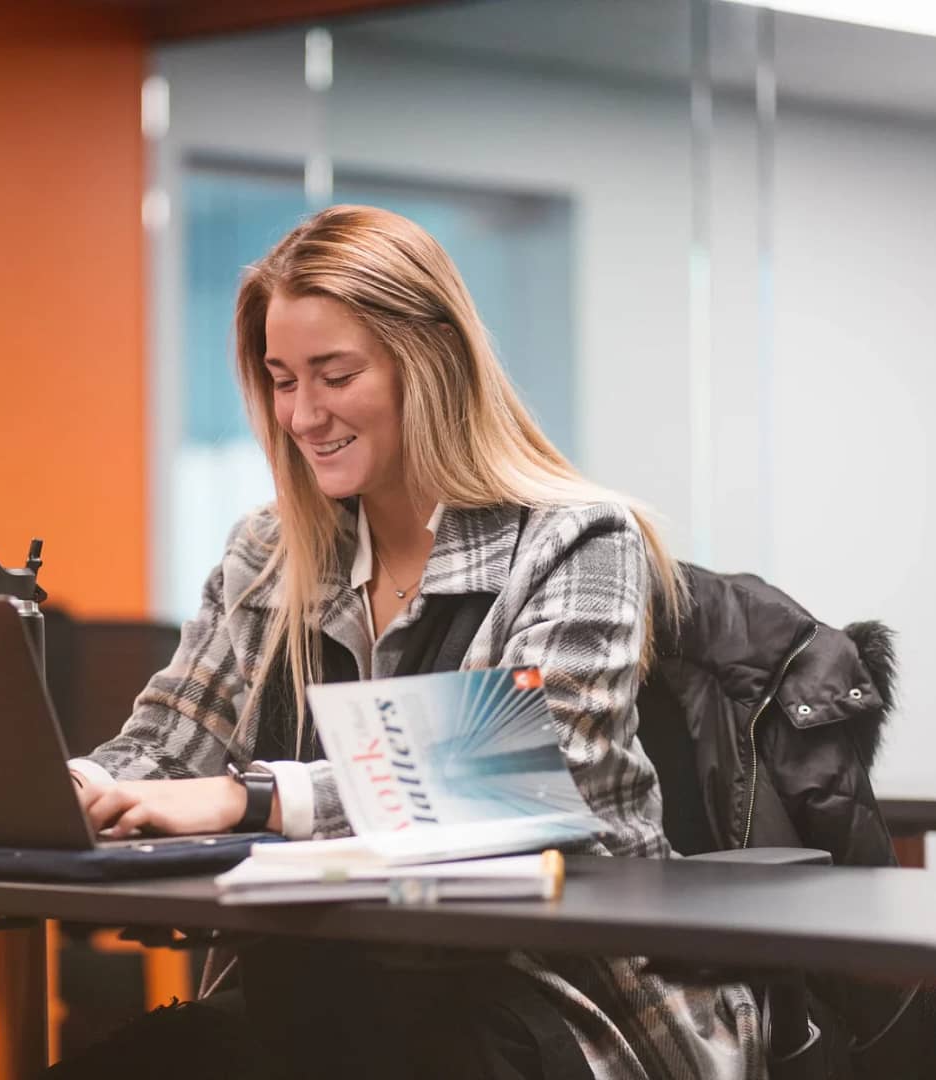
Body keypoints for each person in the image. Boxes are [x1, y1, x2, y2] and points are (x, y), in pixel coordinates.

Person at [60, 205, 761, 1080]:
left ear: (428, 363)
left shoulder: (577, 540)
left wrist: (248, 798)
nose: (303, 415)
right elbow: (167, 746)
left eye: (334, 374)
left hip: (547, 1001)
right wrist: (69, 789)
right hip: (319, 996)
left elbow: (529, 775)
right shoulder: (268, 551)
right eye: (282, 380)